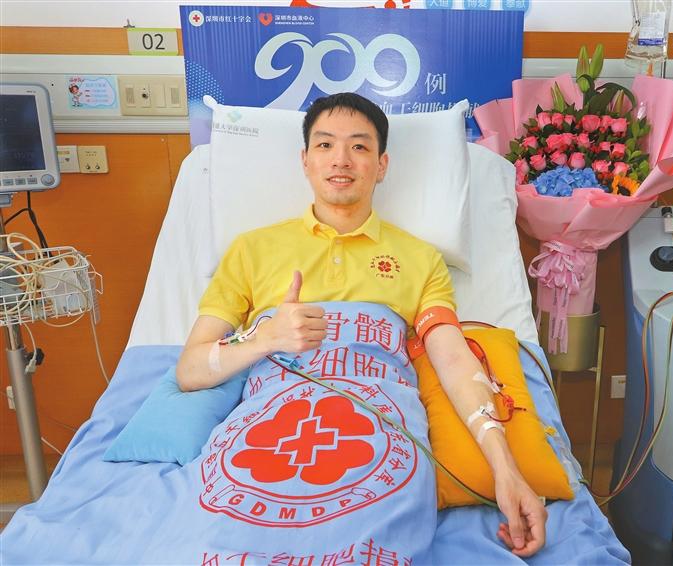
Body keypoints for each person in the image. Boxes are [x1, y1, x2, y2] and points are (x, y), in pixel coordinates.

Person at [176, 92, 547, 557]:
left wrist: (506, 470)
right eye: (325, 145)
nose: (341, 160)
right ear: (305, 161)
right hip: (271, 433)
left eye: (359, 146)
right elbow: (190, 370)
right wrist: (265, 338)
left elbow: (455, 361)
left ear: (381, 165)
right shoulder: (251, 250)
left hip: (379, 435)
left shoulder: (421, 260)